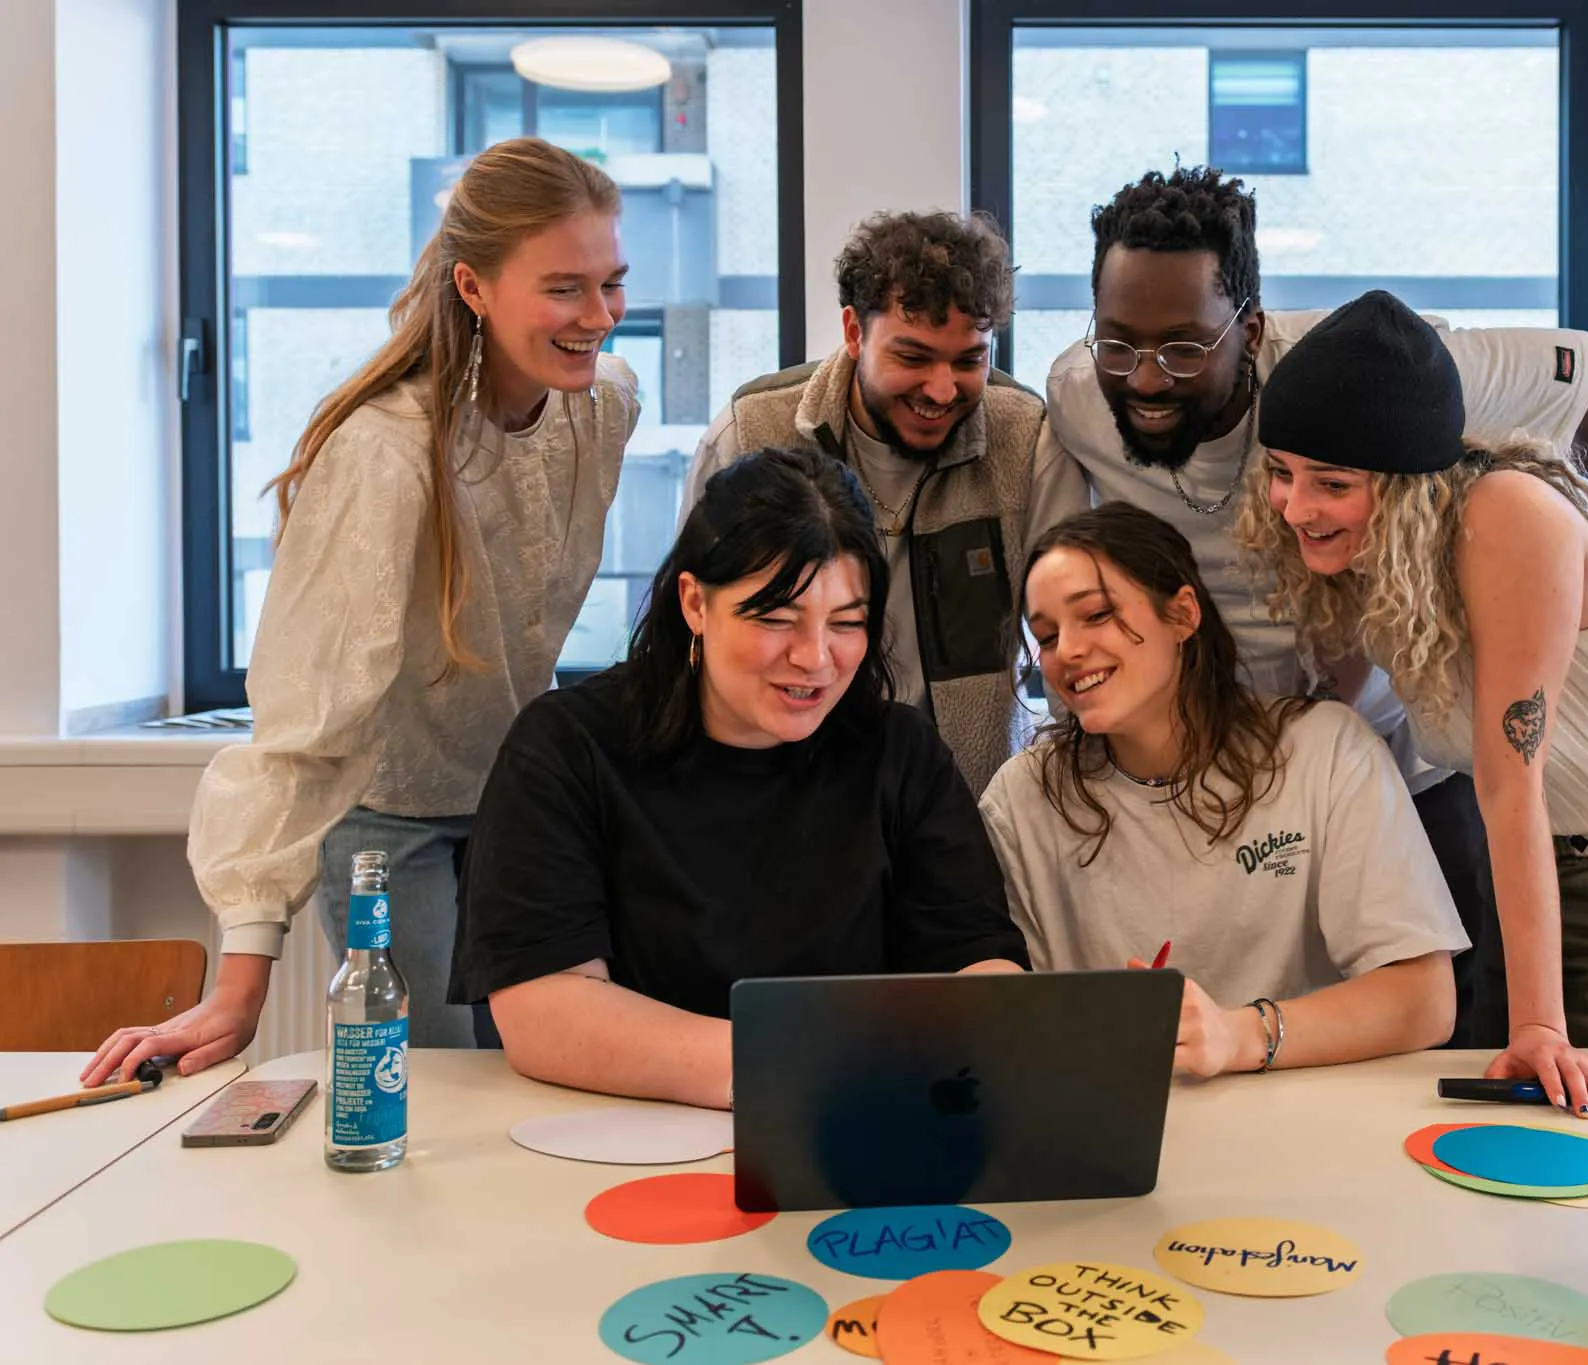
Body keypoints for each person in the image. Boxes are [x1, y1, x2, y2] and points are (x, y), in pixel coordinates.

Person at [1036, 166, 1588, 1048]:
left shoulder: (1364, 373)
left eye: (1182, 349)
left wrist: (1538, 581)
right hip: (1218, 772)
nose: (1145, 378)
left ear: (1248, 330)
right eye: (1118, 344)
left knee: (1453, 1052)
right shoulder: (1076, 393)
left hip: (1394, 770)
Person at [83, 138, 640, 1087]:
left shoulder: (603, 408)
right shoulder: (385, 454)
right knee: (429, 1089)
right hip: (390, 816)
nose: (600, 317)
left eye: (611, 282)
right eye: (564, 289)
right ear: (473, 286)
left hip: (519, 797)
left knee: (549, 1075)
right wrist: (240, 984)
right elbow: (305, 725)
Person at [1246, 291, 1588, 1112]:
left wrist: (1539, 1024)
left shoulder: (1506, 515)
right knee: (1525, 1171)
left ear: (1405, 483)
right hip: (1547, 871)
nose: (1294, 506)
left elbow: (1510, 784)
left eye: (1331, 482)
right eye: (1281, 473)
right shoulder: (1384, 546)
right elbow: (1347, 686)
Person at [448, 446, 1029, 1108]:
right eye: (776, 619)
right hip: (622, 1135)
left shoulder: (900, 750)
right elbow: (544, 1012)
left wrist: (990, 1026)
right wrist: (796, 1068)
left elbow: (978, 961)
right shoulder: (568, 746)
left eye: (846, 623)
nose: (814, 658)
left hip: (849, 1135)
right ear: (695, 603)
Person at [979, 503, 1466, 1079]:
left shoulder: (1323, 751)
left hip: (1305, 1120)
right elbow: (1000, 1017)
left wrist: (1238, 1036)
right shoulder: (1023, 797)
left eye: (1097, 614)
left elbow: (1425, 1002)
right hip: (1112, 1126)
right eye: (1047, 636)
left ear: (1183, 615)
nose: (1069, 652)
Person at [684, 211, 1089, 794]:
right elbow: (691, 641)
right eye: (914, 357)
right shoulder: (751, 434)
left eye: (969, 360)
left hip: (964, 801)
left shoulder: (1026, 442)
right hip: (780, 795)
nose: (942, 390)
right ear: (854, 332)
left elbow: (1074, 646)